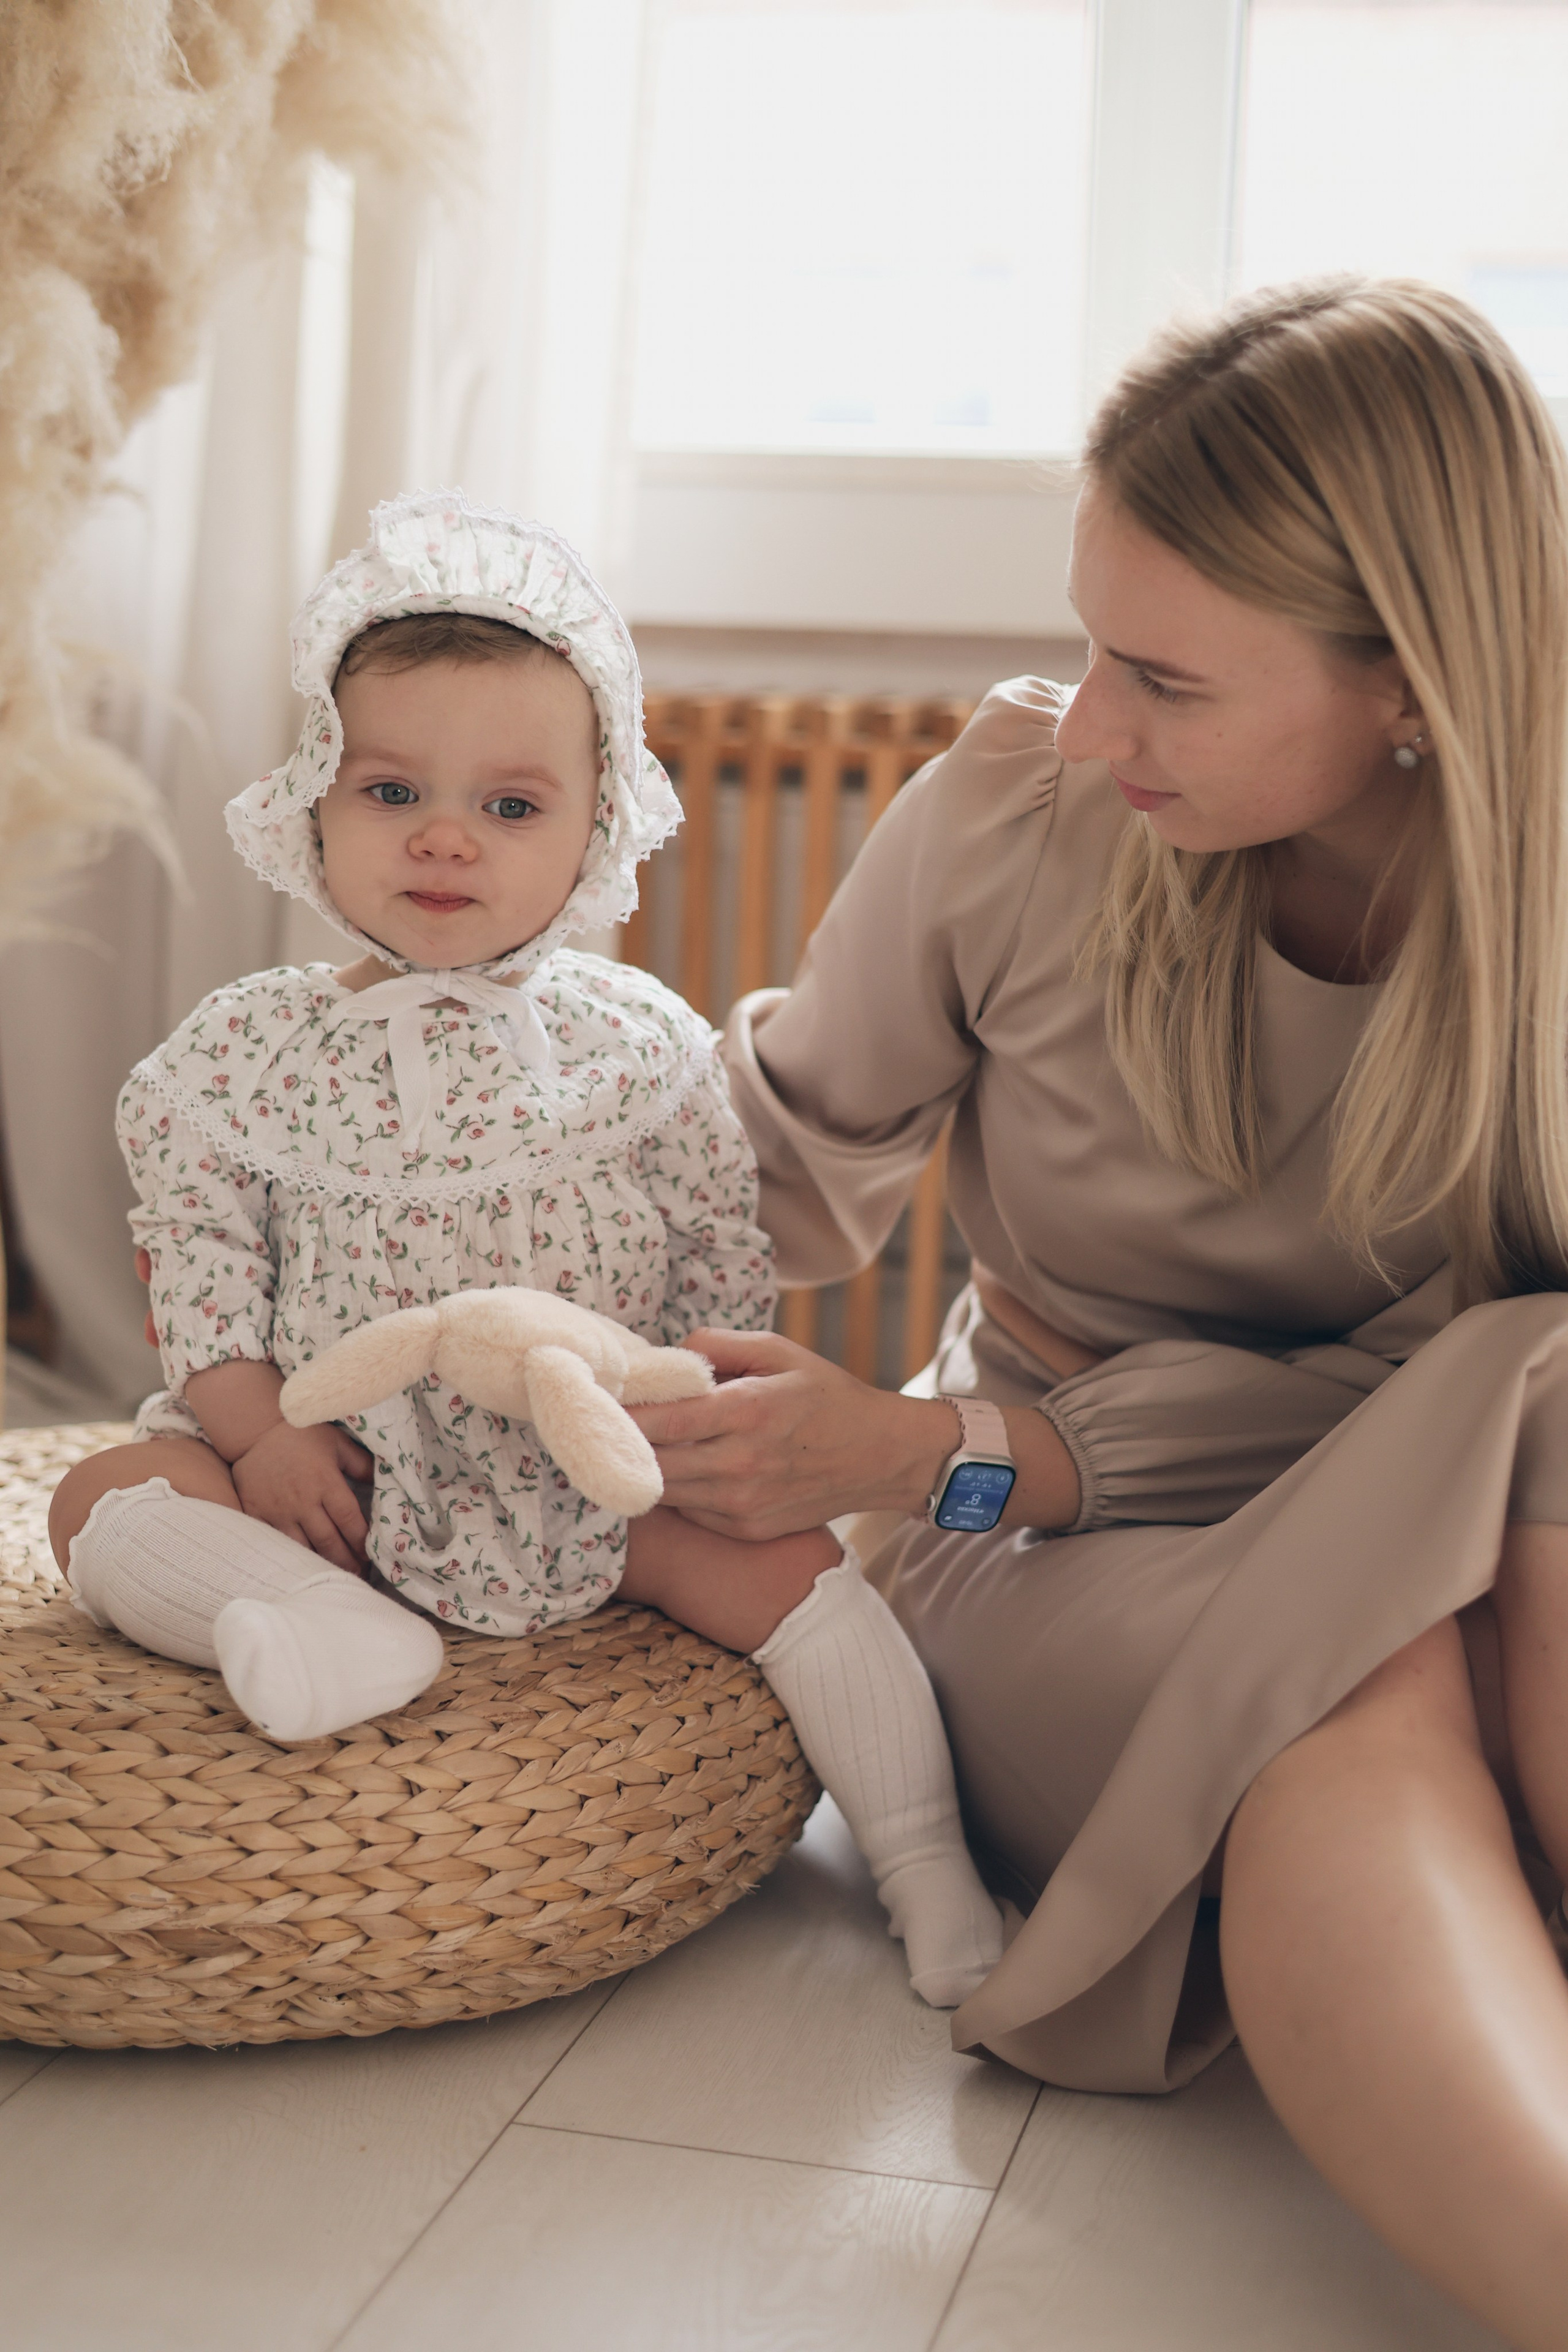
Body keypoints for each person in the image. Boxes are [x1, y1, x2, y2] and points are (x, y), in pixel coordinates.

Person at [620, 281, 1568, 2350]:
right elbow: (763, 1175)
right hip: (1027, 1548)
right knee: (1365, 1691)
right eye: (1090, 642)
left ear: (1409, 679)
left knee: (1551, 1394)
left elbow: (1472, 1412)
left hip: (1432, 1533)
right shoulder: (1019, 816)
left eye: (1164, 675)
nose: (1096, 721)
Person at [46, 491, 1003, 2009]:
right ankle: (308, 1620)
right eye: (389, 791)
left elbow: (709, 1258)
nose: (443, 836)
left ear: (590, 831)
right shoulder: (236, 1056)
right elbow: (205, 1280)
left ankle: (921, 1856)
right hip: (330, 1471)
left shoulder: (637, 1046)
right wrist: (256, 1441)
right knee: (101, 1493)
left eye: (509, 806)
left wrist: (691, 1412)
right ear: (312, 801)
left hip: (586, 1469)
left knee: (808, 1582)